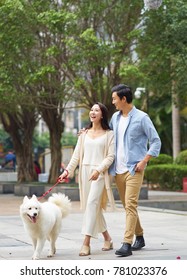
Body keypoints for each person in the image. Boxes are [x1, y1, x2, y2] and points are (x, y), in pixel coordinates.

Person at [109, 84, 161, 257]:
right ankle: (140, 236)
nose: (113, 102)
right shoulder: (115, 118)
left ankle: (126, 243)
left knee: (131, 205)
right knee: (127, 206)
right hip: (118, 170)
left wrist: (144, 160)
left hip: (134, 169)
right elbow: (107, 136)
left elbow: (155, 141)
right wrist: (86, 131)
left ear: (124, 99)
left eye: (115, 98)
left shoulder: (142, 117)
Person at [58, 102, 115, 257]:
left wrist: (98, 170)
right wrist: (67, 171)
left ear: (102, 114)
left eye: (96, 110)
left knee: (91, 204)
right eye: (91, 110)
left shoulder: (110, 134)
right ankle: (108, 239)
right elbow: (76, 156)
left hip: (100, 173)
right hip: (84, 172)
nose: (93, 112)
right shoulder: (83, 134)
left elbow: (110, 156)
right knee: (94, 207)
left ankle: (86, 242)